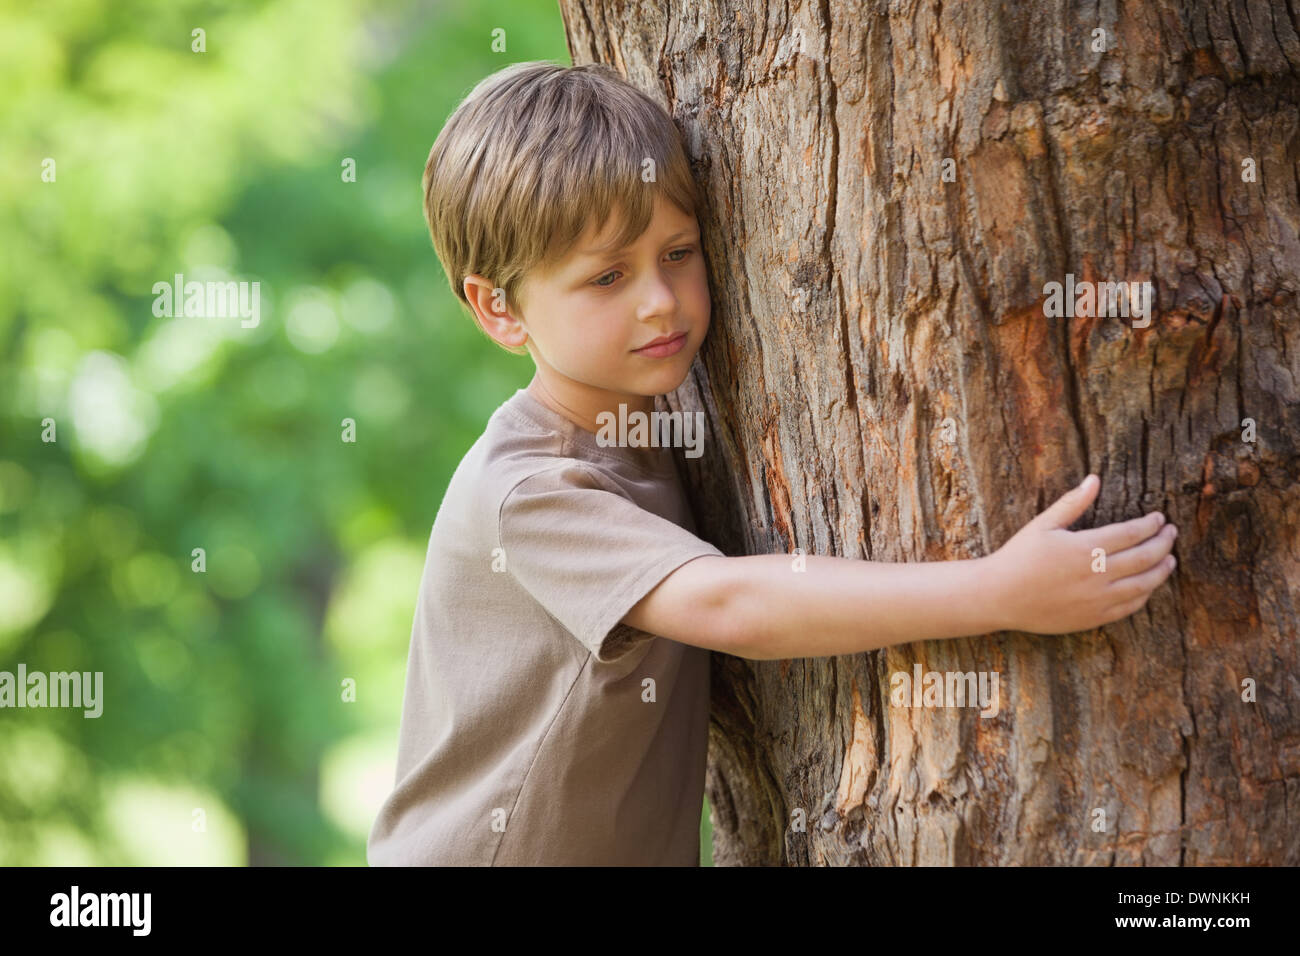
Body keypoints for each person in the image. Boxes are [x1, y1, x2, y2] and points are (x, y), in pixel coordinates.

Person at [365, 61, 1179, 866]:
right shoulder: (530, 487)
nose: (660, 299)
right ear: (497, 307)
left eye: (678, 252)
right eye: (607, 275)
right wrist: (997, 590)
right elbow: (729, 605)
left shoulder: (654, 429)